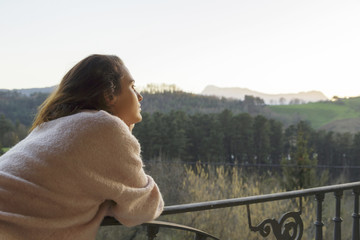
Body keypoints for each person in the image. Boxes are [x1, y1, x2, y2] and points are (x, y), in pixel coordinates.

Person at [0, 54, 164, 240]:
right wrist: (109, 202)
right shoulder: (105, 127)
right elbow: (144, 208)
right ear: (109, 95)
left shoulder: (52, 126)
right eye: (132, 87)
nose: (140, 96)